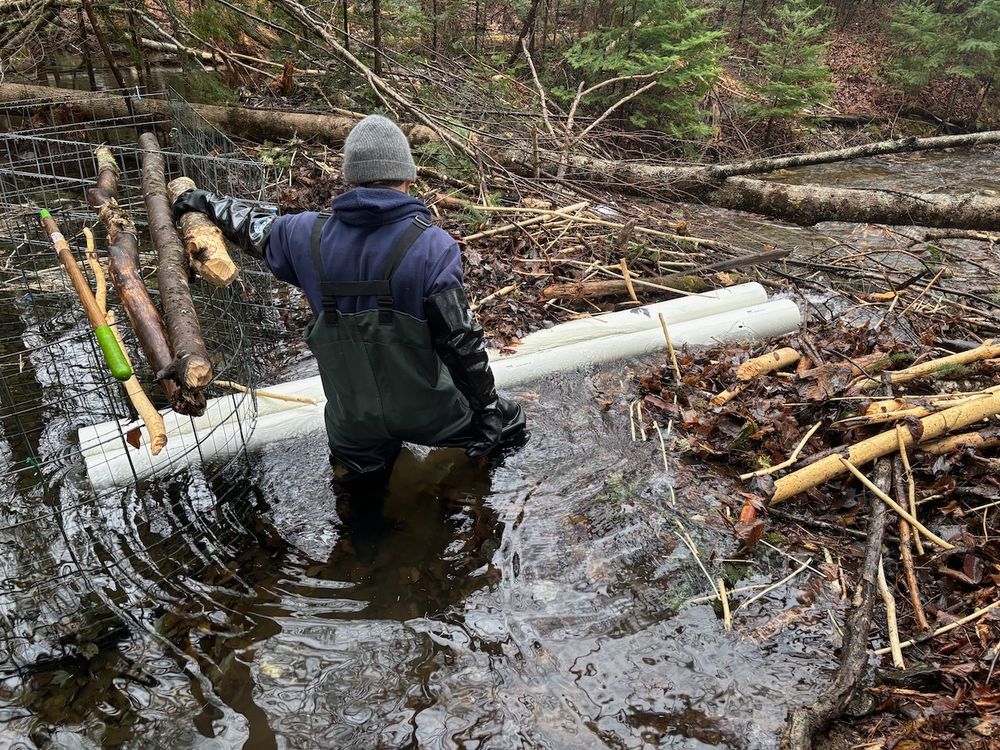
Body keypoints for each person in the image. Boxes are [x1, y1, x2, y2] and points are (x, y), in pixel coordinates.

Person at [171, 114, 526, 481]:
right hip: (430, 413)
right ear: (408, 176)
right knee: (511, 420)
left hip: (352, 424)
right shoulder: (433, 247)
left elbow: (251, 225)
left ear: (350, 178)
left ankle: (360, 531)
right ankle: (478, 504)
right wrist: (486, 411)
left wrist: (201, 201)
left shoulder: (304, 235)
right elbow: (460, 342)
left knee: (360, 502)